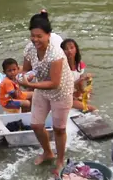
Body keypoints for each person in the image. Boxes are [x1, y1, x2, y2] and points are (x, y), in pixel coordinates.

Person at [19, 13, 75, 171]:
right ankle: (48, 152)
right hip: (42, 89)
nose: (35, 39)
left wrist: (31, 84)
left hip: (60, 91)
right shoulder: (30, 48)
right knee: (36, 125)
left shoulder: (56, 54)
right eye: (32, 35)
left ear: (48, 35)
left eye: (39, 36)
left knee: (59, 129)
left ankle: (60, 160)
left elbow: (54, 83)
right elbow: (27, 69)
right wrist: (17, 77)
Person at [61, 38, 95, 112]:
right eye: (66, 49)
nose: (69, 51)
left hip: (73, 93)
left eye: (72, 48)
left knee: (89, 95)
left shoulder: (79, 65)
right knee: (92, 108)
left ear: (76, 49)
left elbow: (80, 87)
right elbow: (63, 88)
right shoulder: (61, 67)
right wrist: (82, 79)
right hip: (64, 97)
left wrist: (88, 82)